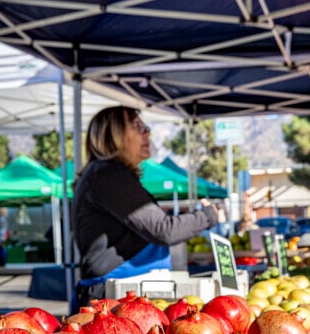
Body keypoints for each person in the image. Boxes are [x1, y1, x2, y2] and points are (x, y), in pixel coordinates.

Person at [72, 106, 218, 307]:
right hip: (114, 299)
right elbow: (164, 230)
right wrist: (207, 215)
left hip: (122, 294)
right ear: (114, 136)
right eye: (136, 126)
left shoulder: (106, 175)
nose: (146, 131)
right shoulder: (109, 176)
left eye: (144, 126)